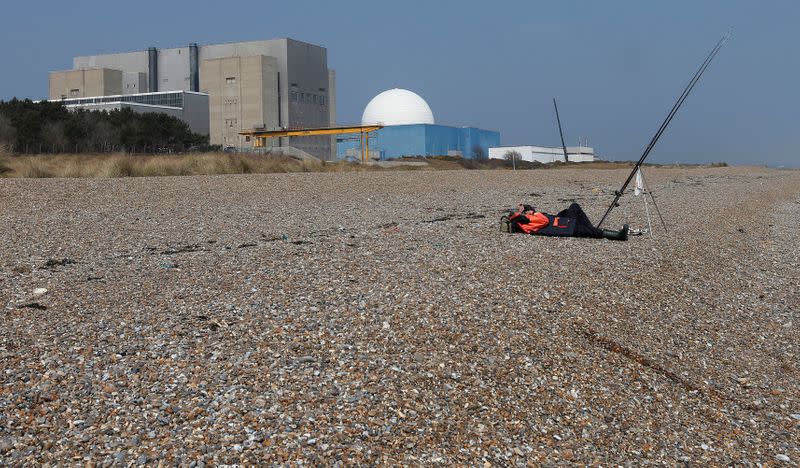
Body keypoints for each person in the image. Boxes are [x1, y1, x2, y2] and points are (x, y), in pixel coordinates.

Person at [502, 202, 629, 241]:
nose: (521, 212)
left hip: (561, 221)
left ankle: (592, 230)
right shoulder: (526, 221)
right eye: (519, 212)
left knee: (574, 206)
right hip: (564, 227)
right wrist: (530, 214)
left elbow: (535, 216)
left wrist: (526, 208)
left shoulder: (525, 220)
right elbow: (543, 220)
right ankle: (619, 236)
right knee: (586, 230)